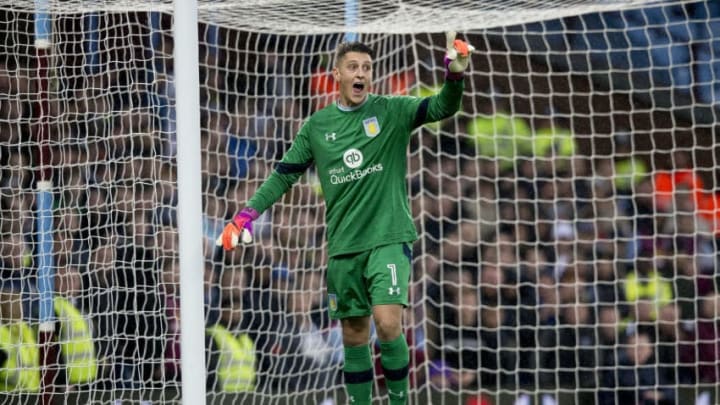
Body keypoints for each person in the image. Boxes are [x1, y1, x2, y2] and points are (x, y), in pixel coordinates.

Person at [218, 33, 472, 404]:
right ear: (337, 73)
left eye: (367, 68)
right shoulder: (317, 127)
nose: (361, 74)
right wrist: (245, 215)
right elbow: (283, 175)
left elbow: (442, 109)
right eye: (353, 67)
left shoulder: (391, 110)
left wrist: (455, 76)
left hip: (388, 237)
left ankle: (400, 401)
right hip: (343, 247)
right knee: (354, 333)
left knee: (388, 322)